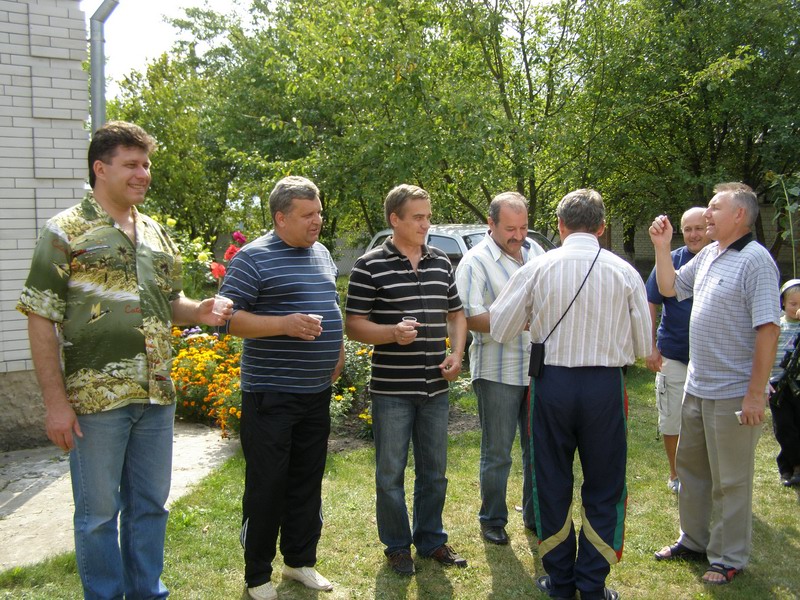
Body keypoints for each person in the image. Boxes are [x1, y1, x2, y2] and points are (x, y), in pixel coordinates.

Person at [16, 121, 230, 599]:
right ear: (100, 168)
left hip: (156, 395)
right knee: (97, 516)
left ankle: (147, 593)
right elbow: (40, 318)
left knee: (150, 507)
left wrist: (199, 311)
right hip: (96, 400)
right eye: (131, 164)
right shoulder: (65, 231)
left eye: (146, 165)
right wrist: (55, 403)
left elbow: (169, 303)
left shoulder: (156, 233)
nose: (143, 174)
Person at [491, 189, 650, 600]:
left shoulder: (537, 267)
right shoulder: (624, 271)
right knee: (606, 483)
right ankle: (592, 583)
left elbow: (500, 328)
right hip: (604, 387)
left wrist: (536, 320)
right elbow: (642, 345)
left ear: (560, 225)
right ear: (601, 227)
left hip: (552, 385)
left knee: (551, 479)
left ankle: (561, 581)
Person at [218, 176, 345, 600]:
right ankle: (258, 576)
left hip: (315, 392)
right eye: (307, 215)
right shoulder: (252, 258)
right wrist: (284, 325)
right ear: (280, 218)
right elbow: (228, 320)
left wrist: (338, 350)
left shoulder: (321, 253)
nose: (317, 221)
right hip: (270, 395)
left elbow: (330, 304)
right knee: (267, 485)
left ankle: (299, 561)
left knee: (307, 480)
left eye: (319, 212)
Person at [650, 182, 780, 586]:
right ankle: (693, 540)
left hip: (733, 394)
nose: (706, 214)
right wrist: (662, 246)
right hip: (697, 386)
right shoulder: (709, 254)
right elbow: (670, 287)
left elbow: (768, 329)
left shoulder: (756, 261)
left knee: (730, 480)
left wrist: (755, 394)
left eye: (714, 207)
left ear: (739, 215)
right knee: (692, 471)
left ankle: (727, 557)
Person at [345, 184, 468, 576]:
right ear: (394, 219)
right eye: (417, 217)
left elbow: (456, 314)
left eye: (428, 216)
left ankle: (431, 540)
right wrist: (391, 333)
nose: (425, 224)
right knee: (390, 475)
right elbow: (353, 324)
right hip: (392, 390)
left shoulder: (441, 262)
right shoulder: (368, 266)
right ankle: (397, 547)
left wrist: (456, 354)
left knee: (435, 473)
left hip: (435, 387)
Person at [455, 192, 544, 545]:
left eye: (523, 227)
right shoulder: (475, 261)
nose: (518, 235)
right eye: (510, 229)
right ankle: (492, 519)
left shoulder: (536, 252)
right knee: (497, 453)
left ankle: (535, 516)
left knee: (538, 448)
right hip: (497, 371)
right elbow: (468, 316)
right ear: (490, 224)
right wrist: (519, 320)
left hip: (537, 368)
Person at [645, 207, 711, 494]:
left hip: (710, 359)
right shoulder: (670, 260)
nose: (694, 234)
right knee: (671, 419)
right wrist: (650, 347)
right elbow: (651, 301)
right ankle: (676, 474)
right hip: (673, 354)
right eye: (688, 229)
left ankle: (707, 476)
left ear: (710, 229)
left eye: (699, 228)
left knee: (708, 422)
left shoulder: (721, 259)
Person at [768, 280, 800, 487]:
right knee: (783, 427)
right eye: (793, 304)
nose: (797, 309)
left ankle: (795, 466)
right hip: (778, 385)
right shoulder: (777, 325)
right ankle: (790, 466)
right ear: (783, 303)